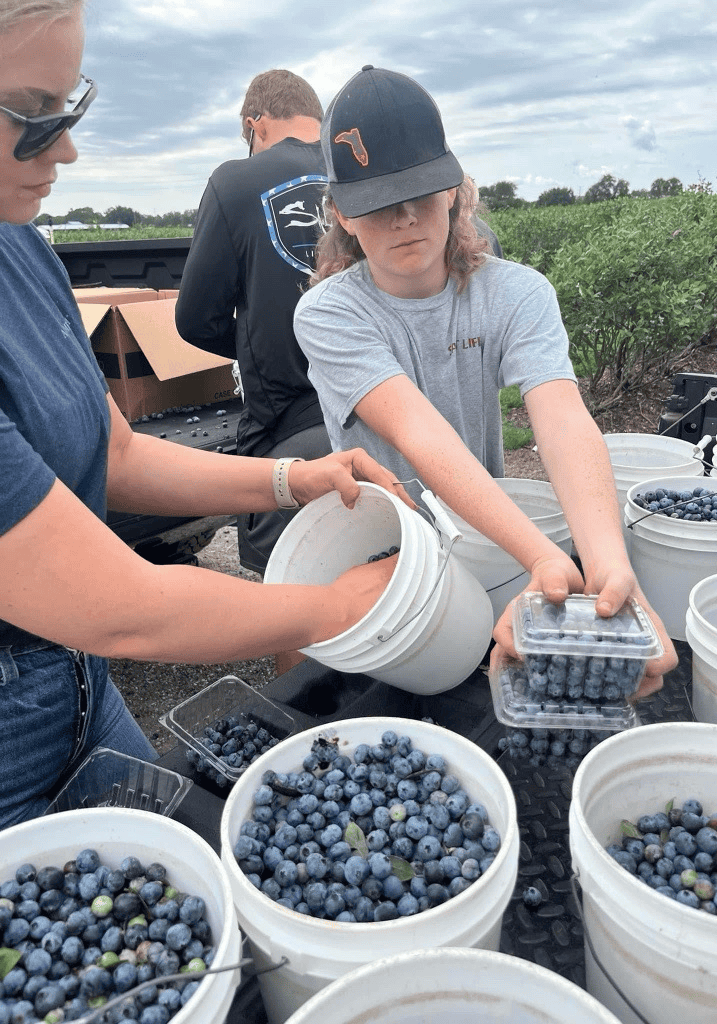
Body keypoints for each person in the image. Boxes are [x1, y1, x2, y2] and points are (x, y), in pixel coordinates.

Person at [0, 6, 410, 831]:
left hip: (80, 690)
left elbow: (113, 452)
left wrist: (293, 480)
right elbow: (118, 605)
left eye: (69, 110)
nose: (67, 149)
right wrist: (336, 609)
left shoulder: (24, 250)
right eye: (32, 116)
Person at [293, 65, 678, 696]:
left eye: (421, 193)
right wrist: (544, 556)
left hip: (490, 530)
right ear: (340, 214)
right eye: (376, 205)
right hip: (394, 549)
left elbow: (561, 417)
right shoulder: (331, 312)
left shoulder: (516, 292)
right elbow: (420, 433)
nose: (405, 218)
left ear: (453, 190)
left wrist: (606, 561)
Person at [175, 70, 332, 601]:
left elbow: (195, 318)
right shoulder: (364, 170)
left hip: (292, 427)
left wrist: (256, 340)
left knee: (296, 590)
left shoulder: (235, 182)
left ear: (255, 124)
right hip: (393, 405)